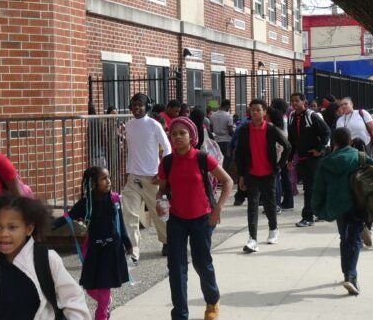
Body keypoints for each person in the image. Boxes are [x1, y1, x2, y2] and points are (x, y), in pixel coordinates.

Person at [155, 117, 233, 320]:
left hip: (202, 218)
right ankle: (180, 314)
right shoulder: (168, 162)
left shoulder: (202, 158)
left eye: (182, 133)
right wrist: (160, 203)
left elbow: (228, 182)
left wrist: (218, 209)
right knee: (176, 267)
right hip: (177, 220)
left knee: (201, 262)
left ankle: (212, 300)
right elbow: (162, 190)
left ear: (191, 136)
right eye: (174, 134)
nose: (178, 137)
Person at [0, 195, 91, 320]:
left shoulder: (46, 260)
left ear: (29, 229)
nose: (4, 234)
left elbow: (73, 300)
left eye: (12, 227)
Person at [312, 127, 373, 296]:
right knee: (355, 239)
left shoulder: (326, 162)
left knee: (345, 238)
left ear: (334, 142)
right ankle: (351, 275)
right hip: (359, 204)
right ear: (350, 141)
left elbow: (318, 189)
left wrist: (317, 209)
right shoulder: (359, 157)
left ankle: (347, 273)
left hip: (337, 206)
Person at [62, 167, 131, 320]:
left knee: (104, 284)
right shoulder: (86, 203)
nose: (108, 182)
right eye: (103, 179)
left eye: (109, 178)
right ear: (93, 183)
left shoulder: (114, 199)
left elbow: (121, 223)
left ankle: (102, 313)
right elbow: (69, 216)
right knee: (90, 286)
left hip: (112, 247)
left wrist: (127, 243)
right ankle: (105, 302)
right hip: (93, 248)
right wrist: (45, 225)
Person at [235, 99, 290, 252]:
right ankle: (252, 238)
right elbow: (239, 154)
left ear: (265, 112)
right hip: (251, 174)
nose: (255, 113)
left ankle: (273, 229)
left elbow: (287, 146)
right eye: (252, 110)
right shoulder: (245, 130)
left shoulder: (271, 129)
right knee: (252, 206)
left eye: (258, 110)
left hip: (268, 173)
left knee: (269, 203)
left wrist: (279, 166)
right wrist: (241, 175)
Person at [122, 93, 172, 261]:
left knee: (160, 212)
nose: (137, 108)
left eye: (140, 105)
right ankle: (132, 250)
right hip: (133, 178)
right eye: (134, 105)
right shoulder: (128, 125)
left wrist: (162, 172)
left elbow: (167, 148)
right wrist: (128, 170)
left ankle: (168, 241)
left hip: (153, 177)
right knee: (129, 214)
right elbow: (131, 150)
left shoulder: (154, 125)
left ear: (147, 107)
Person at [287, 92, 331, 227]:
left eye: (297, 101)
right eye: (292, 101)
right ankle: (321, 212)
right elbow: (291, 140)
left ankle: (308, 217)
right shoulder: (292, 117)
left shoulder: (311, 116)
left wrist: (320, 149)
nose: (294, 103)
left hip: (314, 158)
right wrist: (289, 159)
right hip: (301, 157)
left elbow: (326, 132)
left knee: (309, 187)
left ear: (303, 102)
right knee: (314, 186)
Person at [209, 99, 235, 174]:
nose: (229, 108)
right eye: (229, 107)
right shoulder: (228, 116)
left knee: (218, 160)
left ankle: (219, 177)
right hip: (227, 141)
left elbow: (211, 129)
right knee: (227, 160)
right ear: (227, 106)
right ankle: (225, 175)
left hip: (216, 141)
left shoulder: (213, 115)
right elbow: (230, 131)